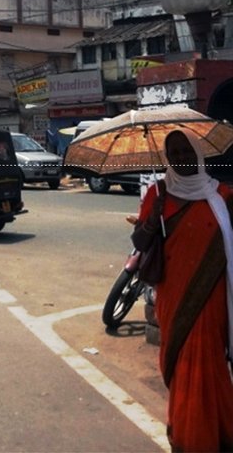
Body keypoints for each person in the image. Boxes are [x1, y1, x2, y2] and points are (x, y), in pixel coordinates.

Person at [131, 130, 233, 451]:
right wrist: (153, 216)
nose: (181, 156)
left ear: (199, 153)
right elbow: (139, 244)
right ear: (168, 157)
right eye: (174, 152)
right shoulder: (158, 193)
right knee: (181, 366)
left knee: (209, 362)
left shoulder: (223, 196)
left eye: (186, 150)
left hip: (212, 296)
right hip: (173, 296)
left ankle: (218, 433)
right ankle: (189, 437)